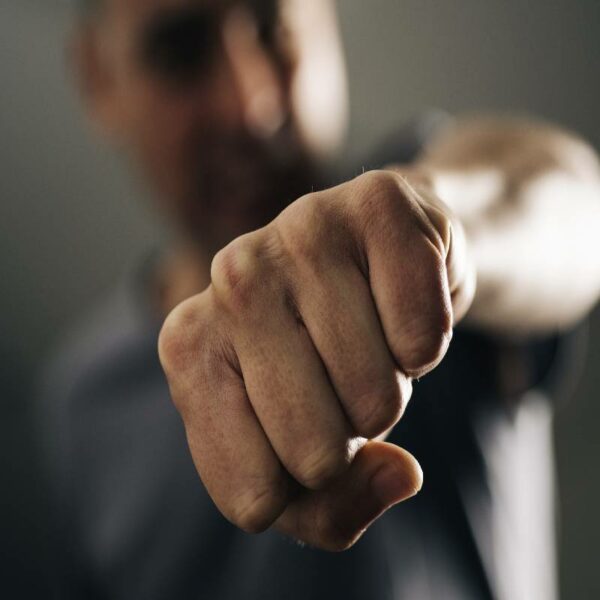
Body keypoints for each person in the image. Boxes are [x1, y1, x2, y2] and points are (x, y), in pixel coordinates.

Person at [38, 0, 600, 598]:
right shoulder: (84, 403)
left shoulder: (416, 229)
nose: (249, 106)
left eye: (272, 28)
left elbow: (569, 211)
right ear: (98, 78)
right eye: (181, 52)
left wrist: (442, 228)